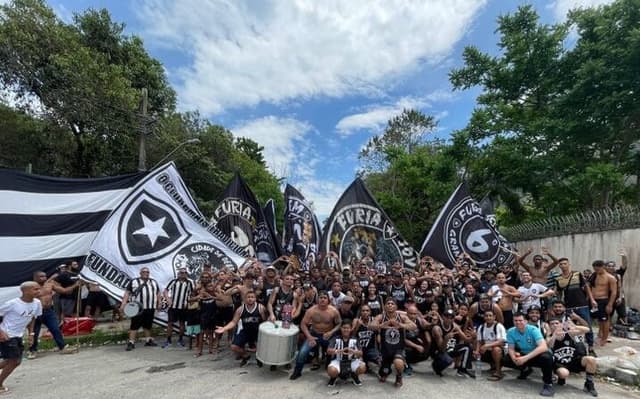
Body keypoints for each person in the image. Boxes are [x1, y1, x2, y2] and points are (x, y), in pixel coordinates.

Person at [0, 281, 42, 394]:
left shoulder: (37, 303)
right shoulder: (13, 303)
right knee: (14, 361)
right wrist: (1, 332)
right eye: (35, 289)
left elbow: (32, 318)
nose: (38, 291)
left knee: (14, 361)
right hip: (7, 335)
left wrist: (31, 334)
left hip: (18, 334)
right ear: (25, 291)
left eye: (39, 289)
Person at [290, 291, 341, 380]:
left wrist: (331, 332)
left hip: (328, 336)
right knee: (302, 352)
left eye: (325, 298)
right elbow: (303, 324)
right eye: (321, 297)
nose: (323, 299)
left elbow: (339, 324)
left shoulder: (333, 311)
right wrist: (309, 337)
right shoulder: (311, 311)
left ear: (328, 300)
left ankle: (330, 365)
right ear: (317, 299)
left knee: (333, 352)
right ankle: (297, 371)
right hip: (314, 335)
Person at [504, 312, 555, 397]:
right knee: (507, 358)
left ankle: (548, 384)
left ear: (526, 321)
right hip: (525, 354)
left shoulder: (533, 330)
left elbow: (543, 347)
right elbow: (511, 348)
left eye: (520, 320)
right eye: (515, 320)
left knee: (546, 357)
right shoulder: (510, 331)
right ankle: (525, 369)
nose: (518, 322)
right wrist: (514, 359)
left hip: (537, 354)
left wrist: (525, 358)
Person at [27, 271, 75, 358]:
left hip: (48, 311)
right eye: (41, 277)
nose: (44, 278)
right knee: (34, 332)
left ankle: (62, 347)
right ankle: (32, 351)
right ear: (35, 278)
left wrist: (77, 285)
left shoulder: (50, 285)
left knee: (55, 329)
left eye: (45, 276)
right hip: (35, 313)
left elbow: (64, 291)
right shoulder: (30, 287)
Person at [371, 298, 417, 388]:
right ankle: (386, 371)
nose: (390, 305)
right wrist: (381, 326)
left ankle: (399, 376)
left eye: (392, 303)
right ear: (384, 306)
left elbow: (413, 326)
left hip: (398, 349)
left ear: (396, 306)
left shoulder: (401, 317)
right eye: (388, 303)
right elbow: (370, 326)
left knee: (398, 363)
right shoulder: (381, 317)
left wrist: (401, 325)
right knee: (383, 374)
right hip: (386, 350)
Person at [553, 258, 595, 355]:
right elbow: (559, 293)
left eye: (565, 263)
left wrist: (592, 300)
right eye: (561, 264)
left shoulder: (577, 274)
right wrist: (560, 304)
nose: (563, 265)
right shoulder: (558, 279)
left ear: (569, 264)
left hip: (582, 305)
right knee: (570, 327)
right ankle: (574, 345)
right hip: (569, 306)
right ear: (559, 266)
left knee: (587, 325)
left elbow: (586, 287)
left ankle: (591, 346)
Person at [547, 317, 598, 396]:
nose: (555, 325)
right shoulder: (549, 336)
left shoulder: (569, 333)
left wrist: (573, 326)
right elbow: (549, 345)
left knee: (591, 359)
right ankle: (561, 378)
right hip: (560, 363)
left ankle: (589, 383)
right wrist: (554, 335)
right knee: (563, 373)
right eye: (552, 324)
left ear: (561, 324)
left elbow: (587, 329)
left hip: (574, 360)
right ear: (549, 326)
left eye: (556, 323)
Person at [215, 290, 267, 366]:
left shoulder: (261, 308)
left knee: (263, 346)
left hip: (258, 331)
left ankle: (259, 357)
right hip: (246, 331)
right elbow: (233, 322)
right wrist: (224, 328)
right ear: (245, 299)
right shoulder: (240, 309)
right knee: (234, 346)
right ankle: (246, 356)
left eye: (252, 297)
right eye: (248, 297)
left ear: (255, 298)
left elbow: (265, 322)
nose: (250, 299)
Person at [120, 267, 161, 351]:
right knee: (134, 325)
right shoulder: (134, 281)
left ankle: (148, 340)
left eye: (147, 272)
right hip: (137, 308)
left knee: (148, 325)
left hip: (150, 307)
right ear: (140, 273)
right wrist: (123, 303)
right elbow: (127, 293)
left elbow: (158, 292)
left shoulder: (153, 282)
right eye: (144, 272)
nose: (146, 273)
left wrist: (159, 302)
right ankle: (131, 342)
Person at [431, 308, 474, 378]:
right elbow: (441, 349)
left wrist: (473, 337)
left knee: (468, 347)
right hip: (438, 351)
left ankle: (462, 369)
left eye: (451, 318)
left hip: (449, 348)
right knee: (448, 359)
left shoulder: (455, 326)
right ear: (442, 317)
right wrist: (446, 339)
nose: (449, 320)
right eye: (447, 317)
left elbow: (466, 339)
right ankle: (436, 368)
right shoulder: (437, 328)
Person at [326, 319, 366, 386]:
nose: (346, 330)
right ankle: (334, 377)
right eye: (344, 328)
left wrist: (354, 351)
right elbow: (328, 351)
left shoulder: (355, 339)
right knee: (331, 370)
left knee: (362, 367)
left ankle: (354, 375)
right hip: (338, 360)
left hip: (352, 360)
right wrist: (338, 351)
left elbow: (361, 353)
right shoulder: (335, 338)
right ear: (341, 328)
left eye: (348, 328)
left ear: (351, 329)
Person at [163, 267, 196, 348]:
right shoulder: (174, 281)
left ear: (187, 274)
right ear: (178, 274)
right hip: (173, 306)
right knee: (170, 323)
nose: (183, 274)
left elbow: (193, 293)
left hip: (183, 307)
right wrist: (168, 299)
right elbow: (165, 290)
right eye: (181, 273)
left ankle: (180, 339)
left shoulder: (189, 282)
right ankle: (168, 340)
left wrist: (188, 302)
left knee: (182, 323)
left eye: (185, 273)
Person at [589, 260, 617, 346]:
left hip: (603, 300)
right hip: (594, 301)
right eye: (595, 269)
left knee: (605, 320)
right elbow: (589, 287)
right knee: (599, 320)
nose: (596, 271)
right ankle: (600, 335)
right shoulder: (594, 275)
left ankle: (604, 339)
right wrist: (591, 300)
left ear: (603, 267)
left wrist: (610, 304)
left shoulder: (610, 278)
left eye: (598, 269)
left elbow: (614, 292)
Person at [474, 309, 506, 381]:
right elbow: (479, 341)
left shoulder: (499, 326)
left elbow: (502, 341)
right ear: (484, 317)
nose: (488, 317)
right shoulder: (481, 327)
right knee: (474, 346)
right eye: (486, 316)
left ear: (494, 317)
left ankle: (498, 372)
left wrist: (487, 346)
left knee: (496, 349)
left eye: (490, 316)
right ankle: (493, 366)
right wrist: (476, 351)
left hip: (501, 352)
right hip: (487, 351)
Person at [351, 304, 380, 371]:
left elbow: (378, 333)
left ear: (370, 312)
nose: (365, 312)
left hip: (370, 349)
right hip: (359, 349)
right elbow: (352, 336)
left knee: (380, 360)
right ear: (360, 312)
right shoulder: (356, 321)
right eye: (363, 311)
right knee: (360, 368)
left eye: (367, 310)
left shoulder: (374, 320)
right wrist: (357, 326)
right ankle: (365, 362)